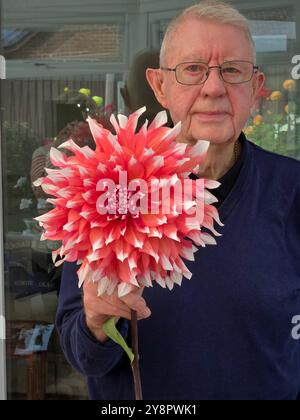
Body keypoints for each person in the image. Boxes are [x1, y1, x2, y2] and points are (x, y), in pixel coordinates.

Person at [56, 0, 300, 400]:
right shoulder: (106, 186)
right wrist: (95, 322)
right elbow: (80, 353)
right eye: (193, 69)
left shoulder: (291, 190)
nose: (214, 87)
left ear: (255, 90)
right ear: (159, 86)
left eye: (233, 70)